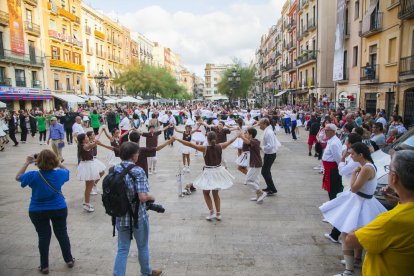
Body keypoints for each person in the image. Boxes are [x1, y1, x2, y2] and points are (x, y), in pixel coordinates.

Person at [320, 142, 387, 276]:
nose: (350, 155)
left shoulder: (366, 168)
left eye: (352, 154)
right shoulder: (367, 166)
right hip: (363, 201)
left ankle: (348, 271)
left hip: (362, 202)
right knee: (356, 232)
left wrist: (355, 174)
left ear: (360, 155)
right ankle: (356, 260)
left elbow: (354, 188)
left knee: (347, 234)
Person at [345, 150, 414, 276]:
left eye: (389, 169)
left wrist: (362, 226)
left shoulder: (390, 220)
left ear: (394, 177)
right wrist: (399, 201)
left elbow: (351, 240)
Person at [15, 150, 74, 274]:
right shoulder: (59, 174)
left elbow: (18, 177)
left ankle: (44, 265)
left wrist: (26, 163)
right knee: (62, 234)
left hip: (37, 209)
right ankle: (69, 259)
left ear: (38, 162)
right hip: (58, 208)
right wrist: (58, 162)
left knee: (43, 236)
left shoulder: (33, 175)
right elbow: (68, 171)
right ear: (54, 161)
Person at [112, 142, 162, 276]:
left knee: (122, 249)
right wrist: (152, 197)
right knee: (143, 246)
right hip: (138, 216)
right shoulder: (138, 171)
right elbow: (143, 197)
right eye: (137, 153)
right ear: (134, 155)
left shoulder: (114, 169)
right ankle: (146, 272)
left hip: (120, 216)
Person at [174, 131, 239, 221]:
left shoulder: (205, 148)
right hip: (218, 171)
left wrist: (177, 139)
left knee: (206, 192)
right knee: (215, 193)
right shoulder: (220, 146)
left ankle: (211, 212)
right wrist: (238, 135)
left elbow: (190, 144)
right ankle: (218, 214)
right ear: (215, 139)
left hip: (209, 172)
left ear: (207, 139)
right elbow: (230, 141)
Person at [321, 123, 343, 244]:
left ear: (333, 131)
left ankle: (333, 215)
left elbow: (338, 158)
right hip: (329, 169)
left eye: (327, 130)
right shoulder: (331, 140)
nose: (325, 131)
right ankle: (331, 214)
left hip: (333, 170)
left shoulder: (334, 143)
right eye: (325, 129)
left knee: (333, 193)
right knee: (331, 193)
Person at [76, 133, 106, 212]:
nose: (88, 137)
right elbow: (94, 143)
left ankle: (86, 203)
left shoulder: (85, 144)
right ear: (83, 139)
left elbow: (94, 142)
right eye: (86, 137)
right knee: (88, 187)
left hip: (89, 165)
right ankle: (86, 204)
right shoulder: (85, 146)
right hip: (87, 166)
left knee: (89, 186)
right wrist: (101, 132)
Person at [240, 128, 267, 203]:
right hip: (254, 163)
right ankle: (258, 196)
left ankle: (261, 192)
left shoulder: (255, 141)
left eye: (247, 133)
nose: (246, 134)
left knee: (248, 181)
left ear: (251, 135)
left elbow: (247, 141)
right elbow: (246, 145)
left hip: (256, 164)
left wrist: (241, 136)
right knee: (255, 180)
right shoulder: (253, 141)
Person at [259, 118, 280, 195]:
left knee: (264, 171)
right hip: (268, 153)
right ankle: (269, 187)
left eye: (260, 124)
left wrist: (261, 147)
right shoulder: (267, 131)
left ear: (265, 124)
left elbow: (270, 145)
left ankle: (272, 189)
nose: (259, 125)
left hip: (270, 154)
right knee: (266, 171)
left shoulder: (269, 132)